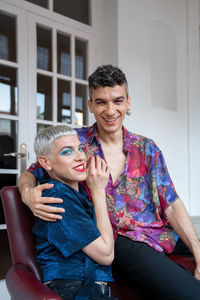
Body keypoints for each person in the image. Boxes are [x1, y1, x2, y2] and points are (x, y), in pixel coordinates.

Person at [19, 65, 200, 299]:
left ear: (127, 103)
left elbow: (171, 203)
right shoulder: (75, 143)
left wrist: (197, 249)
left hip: (158, 231)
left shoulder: (147, 148)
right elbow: (32, 171)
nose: (110, 110)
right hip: (121, 241)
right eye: (101, 102)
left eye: (117, 101)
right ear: (90, 105)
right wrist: (26, 192)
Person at [32, 124, 118, 300]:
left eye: (80, 149)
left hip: (87, 286)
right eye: (67, 152)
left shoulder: (75, 193)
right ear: (46, 162)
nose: (80, 157)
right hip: (73, 287)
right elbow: (106, 255)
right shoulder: (57, 195)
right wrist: (98, 192)